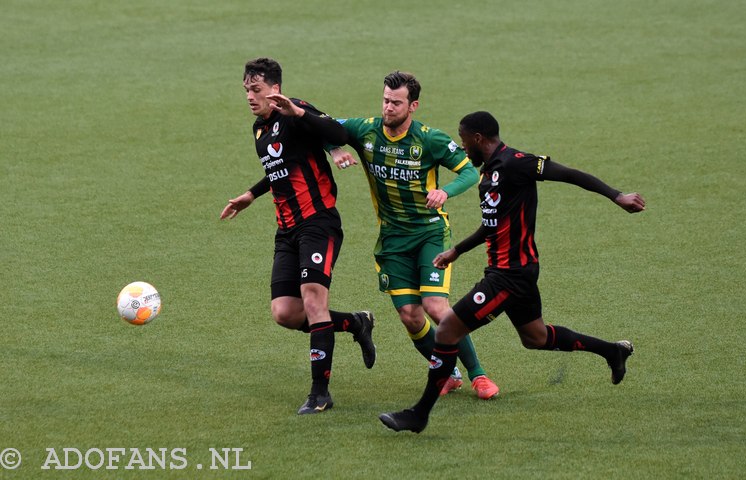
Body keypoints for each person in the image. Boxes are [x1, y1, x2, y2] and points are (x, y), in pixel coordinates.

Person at [379, 111, 646, 433]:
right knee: (536, 338)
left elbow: (570, 174)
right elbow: (492, 224)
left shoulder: (517, 163)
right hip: (515, 272)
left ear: (478, 138)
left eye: (464, 141)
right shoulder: (489, 174)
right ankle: (612, 351)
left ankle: (418, 415)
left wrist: (617, 196)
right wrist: (457, 250)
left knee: (448, 328)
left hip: (509, 275)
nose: (463, 149)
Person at [327, 72, 499, 400]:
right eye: (385, 100)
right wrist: (335, 148)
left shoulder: (429, 140)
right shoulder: (365, 131)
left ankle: (479, 375)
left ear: (413, 105)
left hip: (429, 233)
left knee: (436, 306)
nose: (388, 107)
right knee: (410, 316)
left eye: (396, 102)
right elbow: (320, 124)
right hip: (392, 240)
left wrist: (445, 192)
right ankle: (448, 373)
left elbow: (469, 171)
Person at [220, 57, 376, 415]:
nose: (249, 96)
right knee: (285, 313)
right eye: (246, 89)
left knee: (312, 301)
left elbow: (338, 135)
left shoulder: (295, 110)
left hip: (318, 223)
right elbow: (282, 167)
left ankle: (320, 394)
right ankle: (356, 322)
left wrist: (300, 113)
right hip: (286, 229)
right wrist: (251, 194)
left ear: (275, 88)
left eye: (256, 89)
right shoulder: (259, 129)